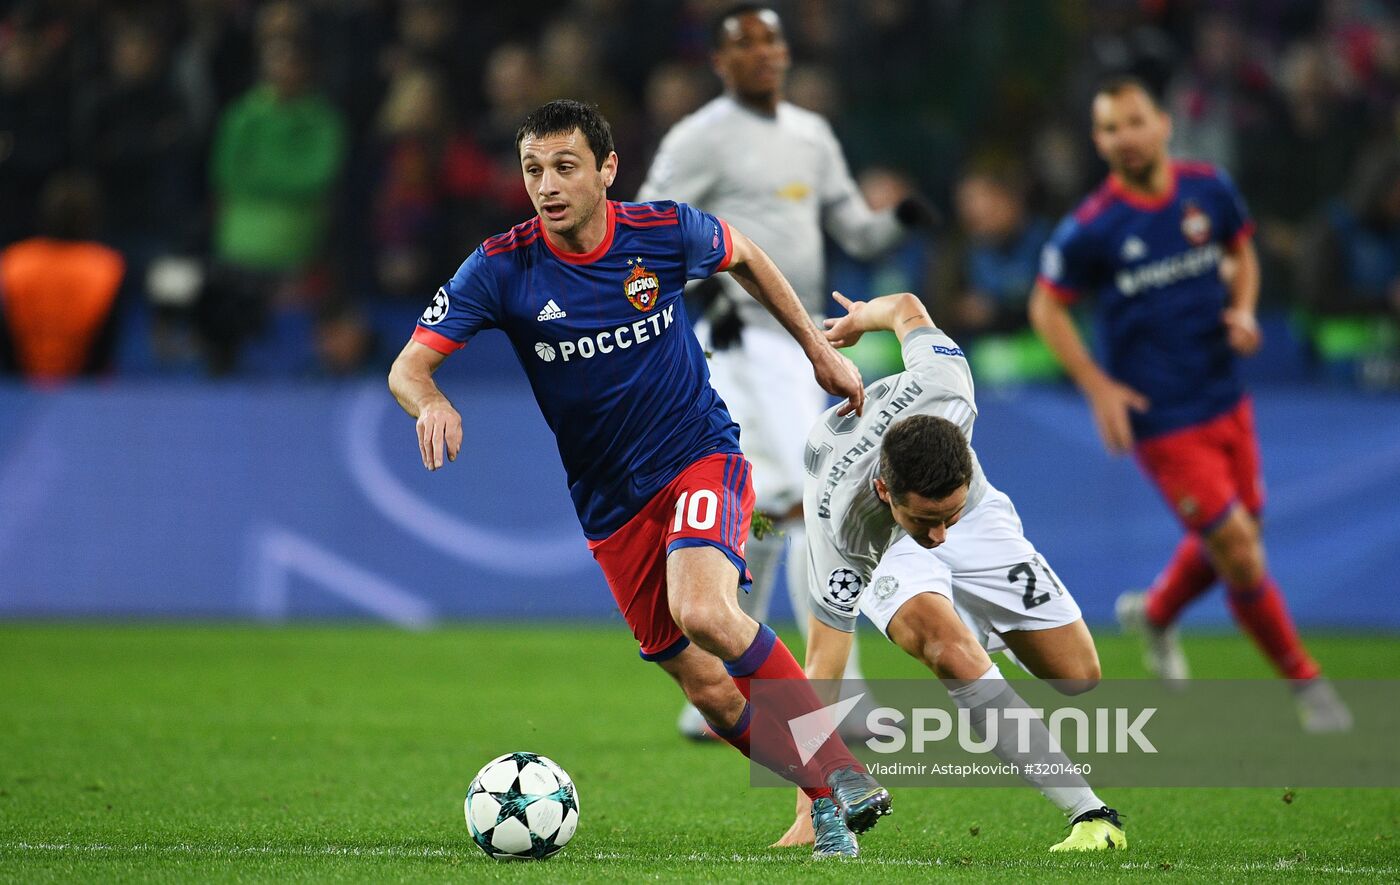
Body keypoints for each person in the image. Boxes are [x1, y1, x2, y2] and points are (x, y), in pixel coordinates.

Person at [387, 99, 890, 858]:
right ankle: (826, 800)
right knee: (710, 692)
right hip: (609, 502)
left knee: (706, 612)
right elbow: (409, 366)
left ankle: (843, 770)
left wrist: (816, 350)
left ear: (606, 169)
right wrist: (430, 401)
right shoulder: (502, 266)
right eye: (533, 170)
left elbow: (746, 253)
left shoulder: (660, 233)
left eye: (565, 166)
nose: (548, 185)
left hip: (698, 453)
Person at [636, 3, 932, 740]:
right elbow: (642, 228)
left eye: (772, 40)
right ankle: (839, 691)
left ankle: (721, 686)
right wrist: (707, 297)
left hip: (805, 340)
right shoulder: (699, 138)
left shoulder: (811, 135)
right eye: (746, 43)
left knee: (767, 511)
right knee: (817, 499)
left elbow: (852, 225)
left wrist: (899, 220)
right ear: (720, 61)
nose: (764, 53)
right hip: (737, 337)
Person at [1027, 76, 1352, 732]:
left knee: (1238, 537)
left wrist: (1244, 308)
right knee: (1238, 545)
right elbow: (1046, 306)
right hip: (1162, 415)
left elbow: (1242, 252)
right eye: (1110, 127)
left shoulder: (1208, 189)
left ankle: (1157, 611)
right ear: (1099, 140)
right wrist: (1098, 385)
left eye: (1135, 121)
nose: (1125, 136)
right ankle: (1306, 682)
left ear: (1163, 124)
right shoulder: (1092, 227)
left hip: (1225, 394)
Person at [769, 290, 1125, 853]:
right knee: (949, 650)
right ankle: (1091, 813)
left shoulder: (949, 382)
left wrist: (864, 316)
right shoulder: (845, 525)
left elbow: (907, 305)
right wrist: (815, 804)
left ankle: (972, 622)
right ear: (888, 491)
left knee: (1077, 675)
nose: (939, 537)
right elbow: (822, 668)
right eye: (928, 520)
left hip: (978, 513)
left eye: (945, 518)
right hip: (888, 544)